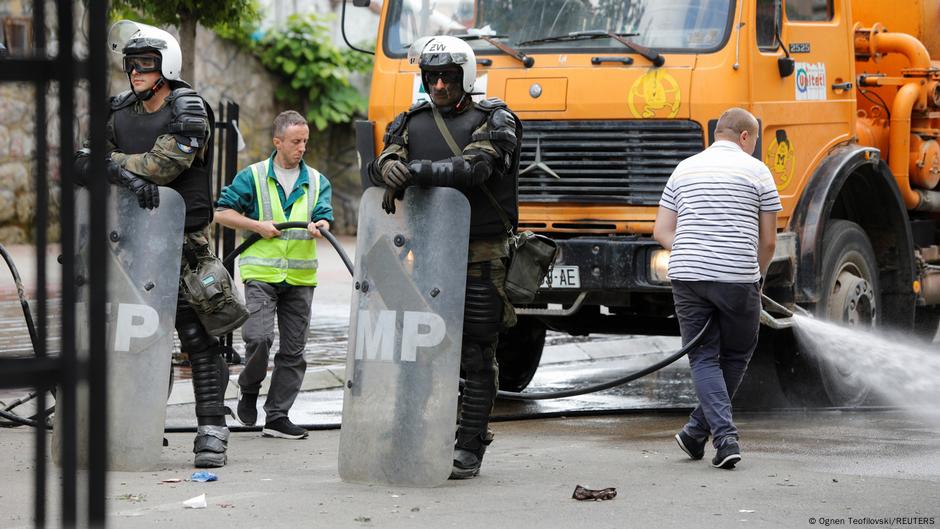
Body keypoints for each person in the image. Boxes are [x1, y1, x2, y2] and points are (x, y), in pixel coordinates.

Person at [73, 21, 230, 467]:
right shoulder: (118, 109)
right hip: (124, 237)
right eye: (131, 64)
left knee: (194, 333)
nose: (135, 73)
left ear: (167, 66)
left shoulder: (189, 107)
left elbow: (164, 165)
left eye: (145, 64)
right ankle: (133, 420)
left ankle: (212, 429)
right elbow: (78, 161)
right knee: (125, 329)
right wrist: (119, 172)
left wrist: (113, 164)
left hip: (181, 238)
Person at [367, 35, 521, 479]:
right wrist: (385, 169)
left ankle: (469, 444)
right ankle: (408, 430)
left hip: (480, 252)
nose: (437, 85)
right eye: (431, 77)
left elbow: (474, 169)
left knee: (475, 350)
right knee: (415, 346)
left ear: (465, 77)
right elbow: (382, 164)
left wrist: (410, 172)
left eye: (447, 77)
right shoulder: (409, 121)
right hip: (427, 251)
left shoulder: (496, 118)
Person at [653, 107, 781, 469]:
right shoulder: (757, 171)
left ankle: (696, 433)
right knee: (737, 353)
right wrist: (757, 278)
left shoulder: (684, 168)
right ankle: (725, 438)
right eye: (754, 140)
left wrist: (695, 249)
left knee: (703, 356)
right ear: (745, 137)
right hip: (737, 276)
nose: (753, 147)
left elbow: (661, 231)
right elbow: (769, 242)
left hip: (687, 276)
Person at [214, 110, 333, 440]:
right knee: (259, 338)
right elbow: (221, 213)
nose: (302, 148)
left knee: (294, 352)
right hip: (261, 273)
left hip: (299, 278)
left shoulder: (318, 181)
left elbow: (324, 218)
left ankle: (278, 416)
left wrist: (320, 227)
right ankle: (249, 388)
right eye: (296, 142)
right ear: (277, 142)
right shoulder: (251, 177)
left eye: (305, 142)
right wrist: (256, 226)